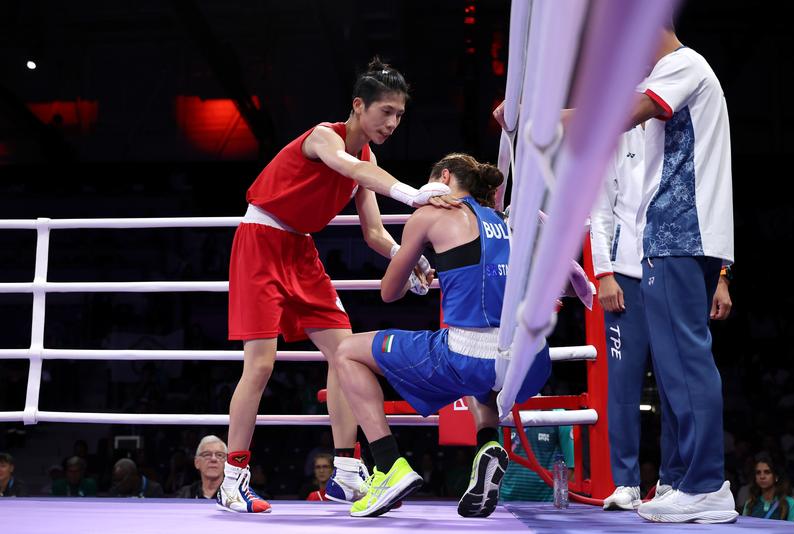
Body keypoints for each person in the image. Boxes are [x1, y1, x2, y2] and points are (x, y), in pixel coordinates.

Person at [220, 57, 460, 514]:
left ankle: (347, 473)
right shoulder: (324, 138)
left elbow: (373, 232)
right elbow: (349, 169)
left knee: (345, 351)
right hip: (260, 241)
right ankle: (233, 478)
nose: (392, 122)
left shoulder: (368, 157)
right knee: (261, 365)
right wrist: (412, 194)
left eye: (399, 115)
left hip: (301, 252)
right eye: (385, 111)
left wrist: (410, 261)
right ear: (358, 105)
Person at [335, 153, 552, 518]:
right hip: (531, 362)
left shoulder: (429, 214)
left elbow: (389, 292)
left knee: (346, 351)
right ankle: (487, 444)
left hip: (468, 355)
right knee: (481, 373)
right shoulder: (504, 220)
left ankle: (389, 466)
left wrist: (416, 261)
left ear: (444, 177)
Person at [590, 125, 733, 511]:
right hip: (626, 277)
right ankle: (626, 482)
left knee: (676, 377)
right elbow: (600, 211)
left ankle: (673, 479)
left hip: (675, 269)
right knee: (623, 382)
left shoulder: (686, 134)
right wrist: (604, 273)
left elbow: (708, 206)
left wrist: (721, 275)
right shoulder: (614, 138)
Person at [627, 22, 737, 524]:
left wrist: (542, 118)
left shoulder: (684, 66)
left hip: (681, 231)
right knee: (672, 368)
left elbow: (621, 114)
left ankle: (706, 484)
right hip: (667, 234)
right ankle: (678, 478)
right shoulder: (665, 71)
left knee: (687, 363)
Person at [499, 423, 574, 502]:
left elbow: (571, 467)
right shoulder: (505, 417)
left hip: (546, 503)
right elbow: (498, 463)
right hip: (507, 501)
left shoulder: (560, 418)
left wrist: (558, 500)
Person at [741, 455, 794, 522]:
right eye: (758, 473)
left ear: (776, 477)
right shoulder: (750, 504)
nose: (762, 476)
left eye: (767, 472)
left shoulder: (791, 504)